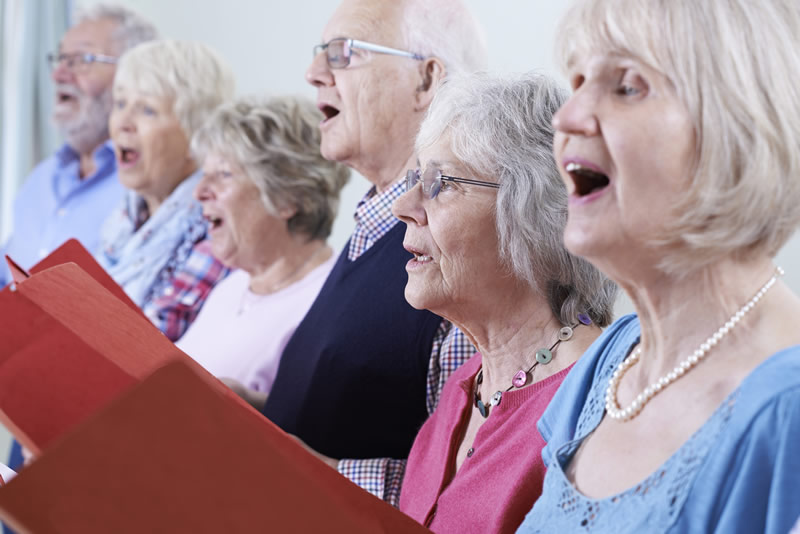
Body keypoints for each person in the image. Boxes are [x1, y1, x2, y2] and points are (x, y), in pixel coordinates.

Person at [517, 0, 800, 532]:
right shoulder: (608, 361)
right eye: (577, 79)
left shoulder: (789, 412)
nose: (567, 116)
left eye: (627, 86)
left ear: (735, 126)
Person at [248, 0, 487, 506]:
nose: (314, 74)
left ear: (425, 79)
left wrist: (317, 472)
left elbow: (470, 490)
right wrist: (255, 412)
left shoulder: (457, 251)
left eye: (342, 54)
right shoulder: (369, 229)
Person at [393, 72, 616, 533]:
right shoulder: (461, 391)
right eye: (415, 179)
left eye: (439, 184)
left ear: (530, 212)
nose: (404, 205)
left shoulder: (595, 404)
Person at [177, 95, 350, 397]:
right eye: (204, 175)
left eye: (223, 175)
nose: (200, 192)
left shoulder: (327, 306)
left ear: (287, 196)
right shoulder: (231, 288)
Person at [0, 5, 156, 286]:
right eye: (60, 59)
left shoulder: (149, 184)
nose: (59, 74)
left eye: (82, 59)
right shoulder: (40, 179)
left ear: (134, 76)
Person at [97, 40, 234, 341]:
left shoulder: (214, 227)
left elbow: (150, 344)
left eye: (147, 109)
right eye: (120, 104)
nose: (123, 123)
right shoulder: (122, 218)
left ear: (196, 133)